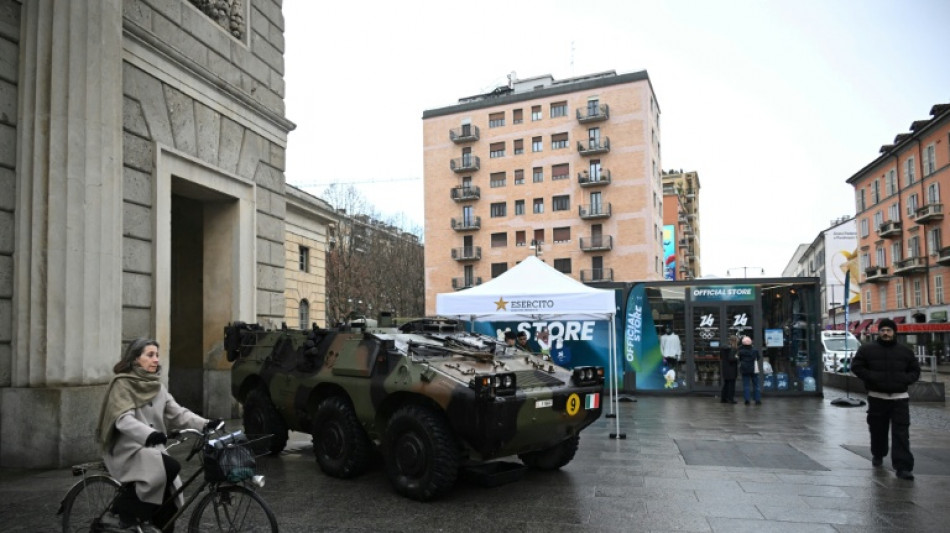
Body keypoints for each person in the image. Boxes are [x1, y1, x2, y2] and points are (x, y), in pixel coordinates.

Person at [96, 338, 219, 532]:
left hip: (150, 449)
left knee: (169, 493)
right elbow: (122, 420)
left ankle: (157, 524)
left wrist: (205, 424)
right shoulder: (123, 384)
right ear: (136, 359)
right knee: (170, 466)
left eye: (157, 355)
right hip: (127, 448)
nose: (155, 360)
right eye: (150, 355)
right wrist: (149, 434)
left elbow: (178, 413)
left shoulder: (156, 386)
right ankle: (122, 514)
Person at [850, 318, 920, 481]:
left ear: (894, 332)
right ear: (878, 332)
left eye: (889, 330)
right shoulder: (867, 350)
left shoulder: (905, 351)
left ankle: (903, 467)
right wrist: (872, 378)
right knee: (877, 430)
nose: (886, 333)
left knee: (901, 434)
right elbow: (856, 367)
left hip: (900, 399)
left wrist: (904, 379)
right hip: (877, 397)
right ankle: (878, 454)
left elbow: (915, 370)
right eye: (883, 330)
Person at [737, 336, 761, 405]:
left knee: (746, 385)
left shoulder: (741, 351)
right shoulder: (755, 350)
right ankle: (757, 400)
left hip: (745, 369)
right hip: (754, 369)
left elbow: (740, 359)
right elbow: (758, 358)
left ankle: (747, 400)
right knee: (756, 385)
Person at [720, 337, 738, 404]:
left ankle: (723, 398)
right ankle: (731, 399)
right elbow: (731, 359)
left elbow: (721, 357)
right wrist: (737, 358)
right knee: (731, 385)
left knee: (726, 384)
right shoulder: (732, 349)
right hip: (731, 369)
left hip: (725, 368)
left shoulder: (723, 348)